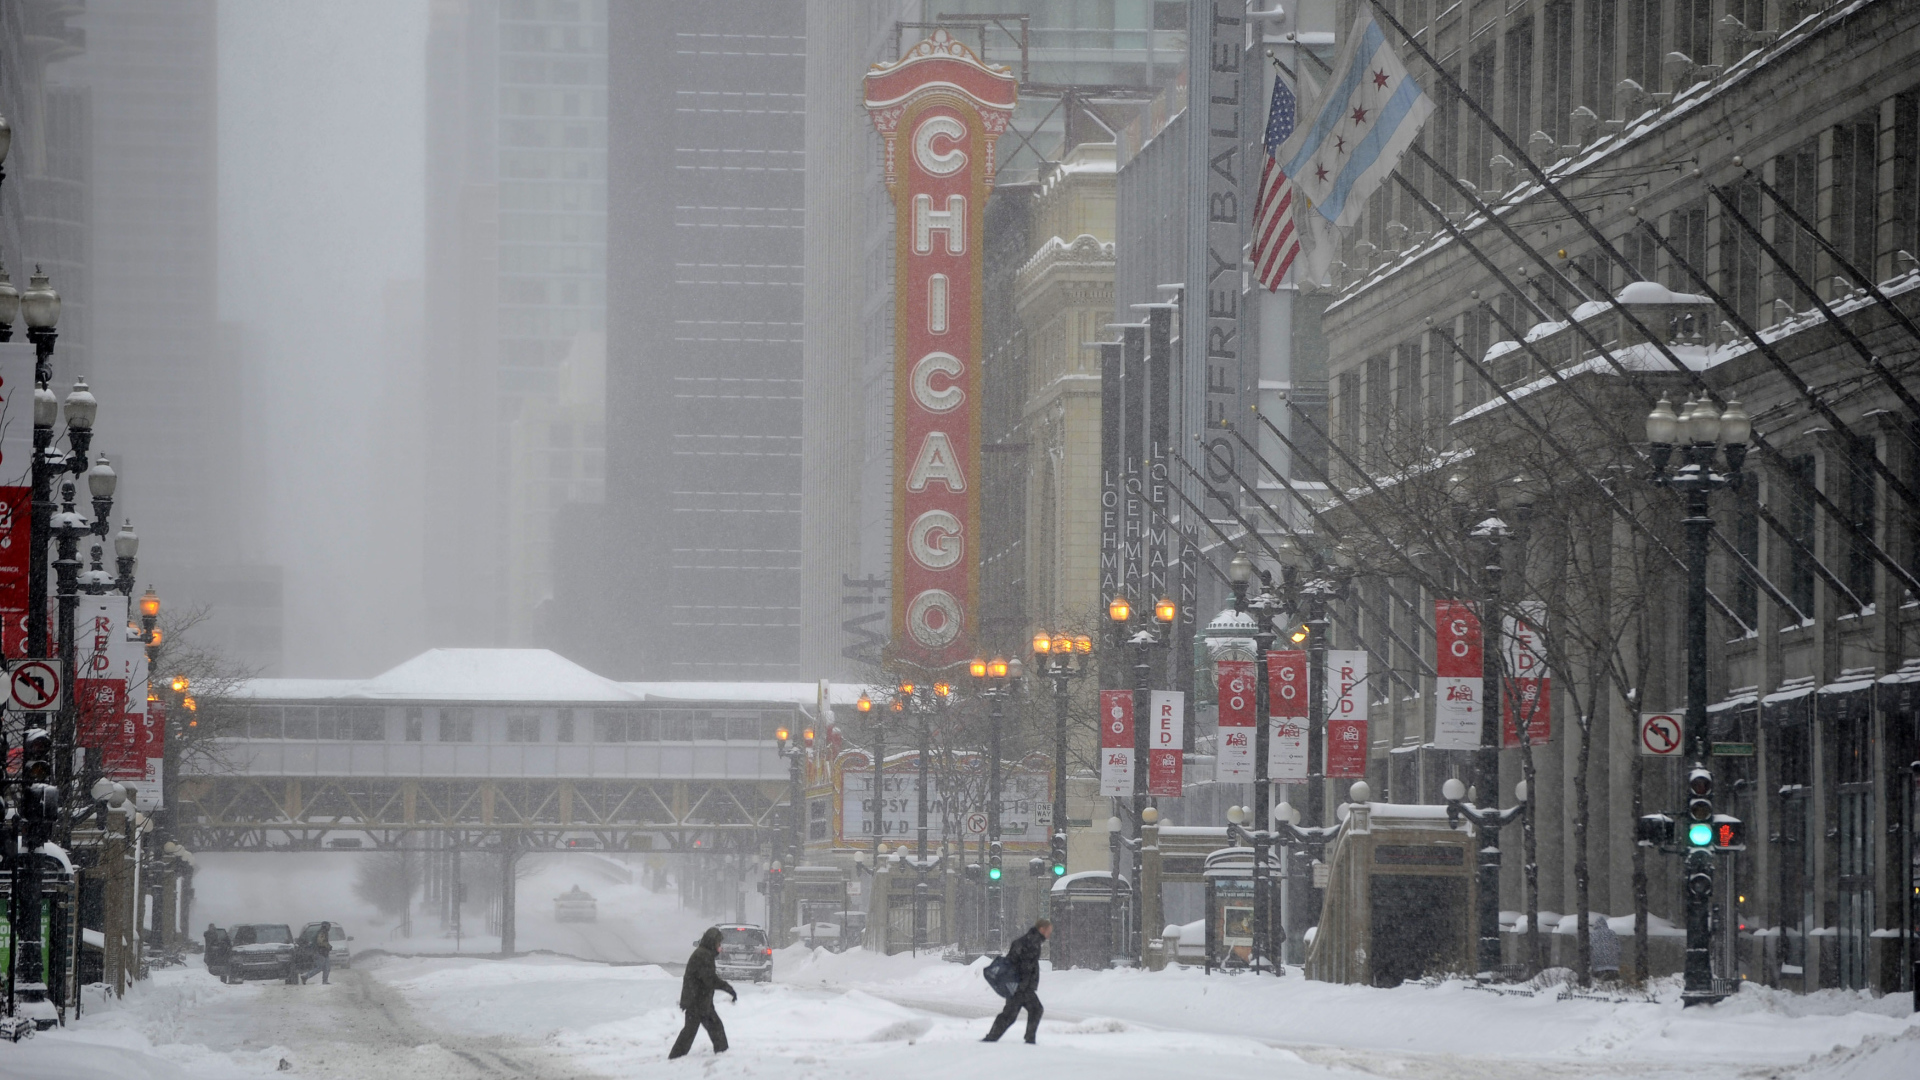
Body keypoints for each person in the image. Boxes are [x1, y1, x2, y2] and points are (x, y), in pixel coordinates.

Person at [669, 927, 737, 1059]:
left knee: (706, 1029)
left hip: (699, 1000)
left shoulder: (704, 953)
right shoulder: (703, 955)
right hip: (697, 1001)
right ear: (712, 942)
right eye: (718, 943)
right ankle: (676, 1057)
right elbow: (710, 979)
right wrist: (728, 988)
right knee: (699, 1030)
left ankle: (721, 1053)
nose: (720, 947)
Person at [983, 919, 1049, 1044]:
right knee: (1034, 1010)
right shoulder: (1032, 943)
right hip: (1021, 987)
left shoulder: (1027, 941)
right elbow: (1025, 966)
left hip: (1017, 985)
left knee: (1011, 1015)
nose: (1049, 934)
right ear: (1042, 929)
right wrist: (1023, 985)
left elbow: (1015, 960)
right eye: (1048, 931)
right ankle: (1029, 1039)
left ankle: (992, 1037)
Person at [1588, 913, 1621, 982]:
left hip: (1598, 964)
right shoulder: (1612, 933)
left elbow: (1589, 948)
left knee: (1599, 983)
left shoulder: (1593, 935)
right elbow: (1618, 948)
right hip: (1613, 965)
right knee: (1612, 982)